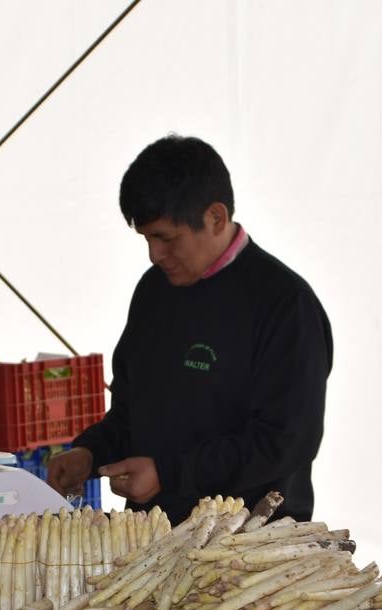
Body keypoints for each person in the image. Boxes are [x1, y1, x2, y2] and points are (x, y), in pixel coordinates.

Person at [47, 135, 332, 524]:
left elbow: (285, 442)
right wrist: (90, 453)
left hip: (249, 547)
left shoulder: (284, 304)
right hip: (152, 540)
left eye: (166, 238)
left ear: (215, 217)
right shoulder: (153, 292)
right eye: (147, 239)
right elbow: (133, 413)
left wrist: (169, 473)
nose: (155, 255)